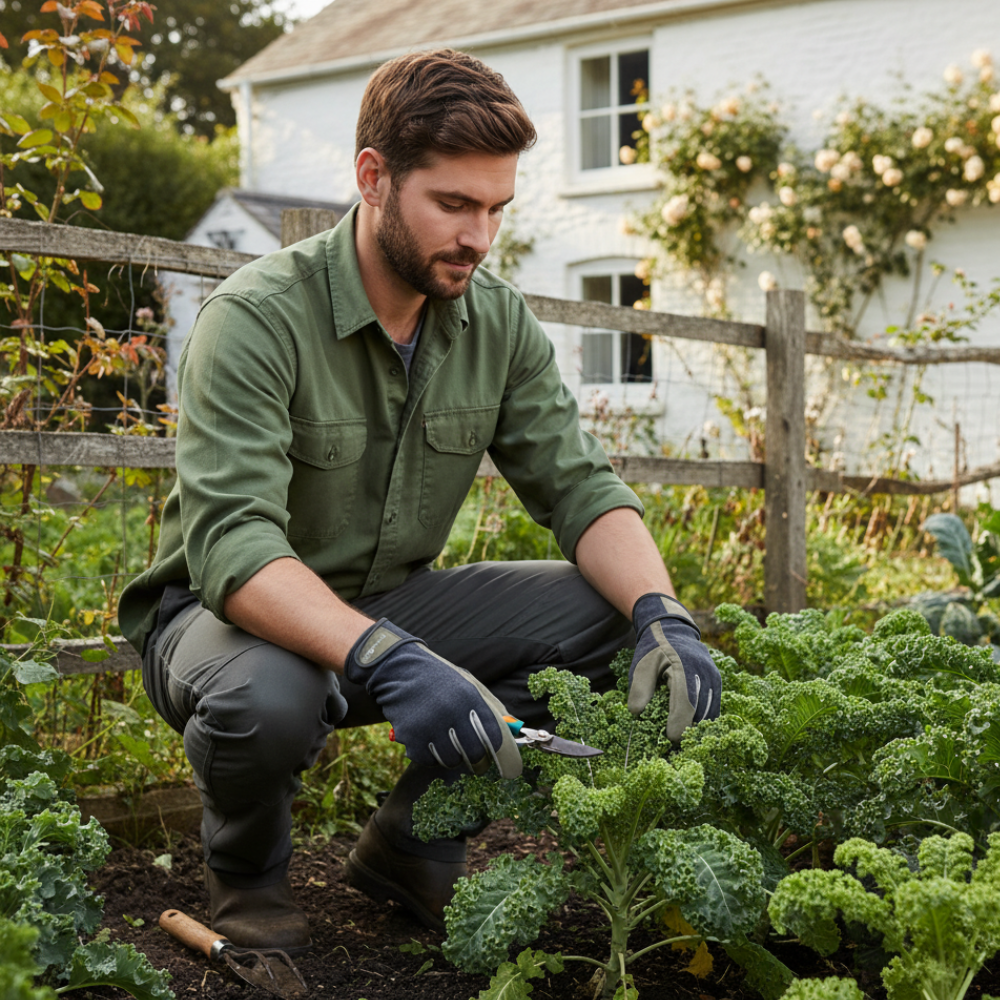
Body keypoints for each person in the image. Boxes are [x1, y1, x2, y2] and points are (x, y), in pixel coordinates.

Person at [118, 48, 720, 954]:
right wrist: (388, 658)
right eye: (454, 204)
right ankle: (249, 882)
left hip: (385, 606)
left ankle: (411, 844)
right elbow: (235, 548)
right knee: (272, 694)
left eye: (496, 209)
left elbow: (580, 485)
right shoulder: (256, 319)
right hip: (221, 619)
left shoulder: (496, 321)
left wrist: (663, 615)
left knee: (607, 612)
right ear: (374, 178)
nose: (479, 236)